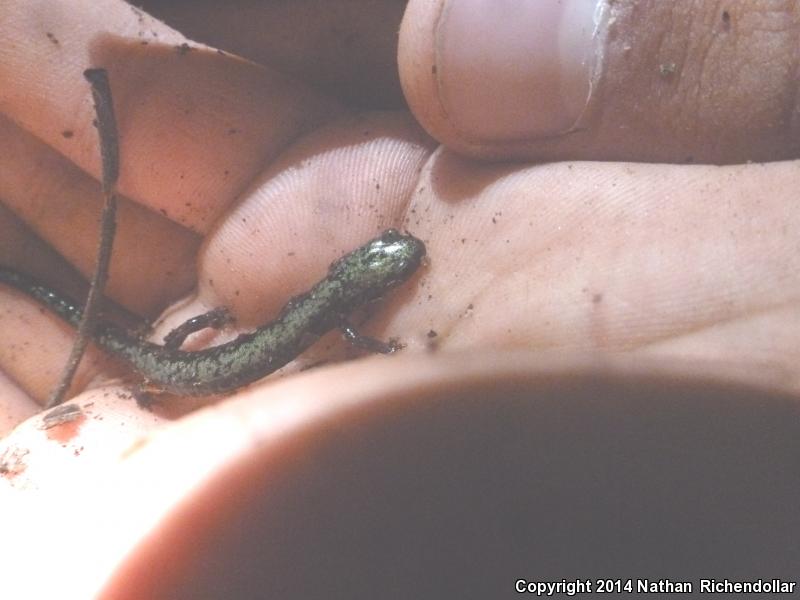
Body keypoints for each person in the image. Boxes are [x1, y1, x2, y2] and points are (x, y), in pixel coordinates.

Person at [1, 1, 798, 597]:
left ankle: (51, 293)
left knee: (177, 345)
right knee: (152, 340)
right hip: (195, 375)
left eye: (390, 265)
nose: (399, 266)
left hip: (197, 368)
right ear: (365, 275)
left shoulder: (329, 293)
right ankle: (37, 286)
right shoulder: (339, 308)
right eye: (390, 267)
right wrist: (377, 350)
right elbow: (342, 320)